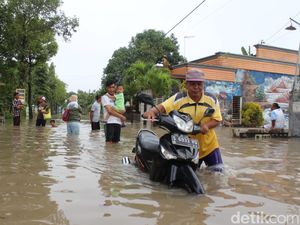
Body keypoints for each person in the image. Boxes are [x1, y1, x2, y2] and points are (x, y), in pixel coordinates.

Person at [143, 69, 224, 171]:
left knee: (218, 173)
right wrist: (152, 112)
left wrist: (206, 126)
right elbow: (162, 107)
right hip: (187, 146)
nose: (196, 87)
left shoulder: (212, 99)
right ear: (186, 85)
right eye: (192, 84)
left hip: (209, 146)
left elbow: (217, 119)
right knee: (190, 174)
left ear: (203, 84)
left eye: (199, 84)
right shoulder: (178, 98)